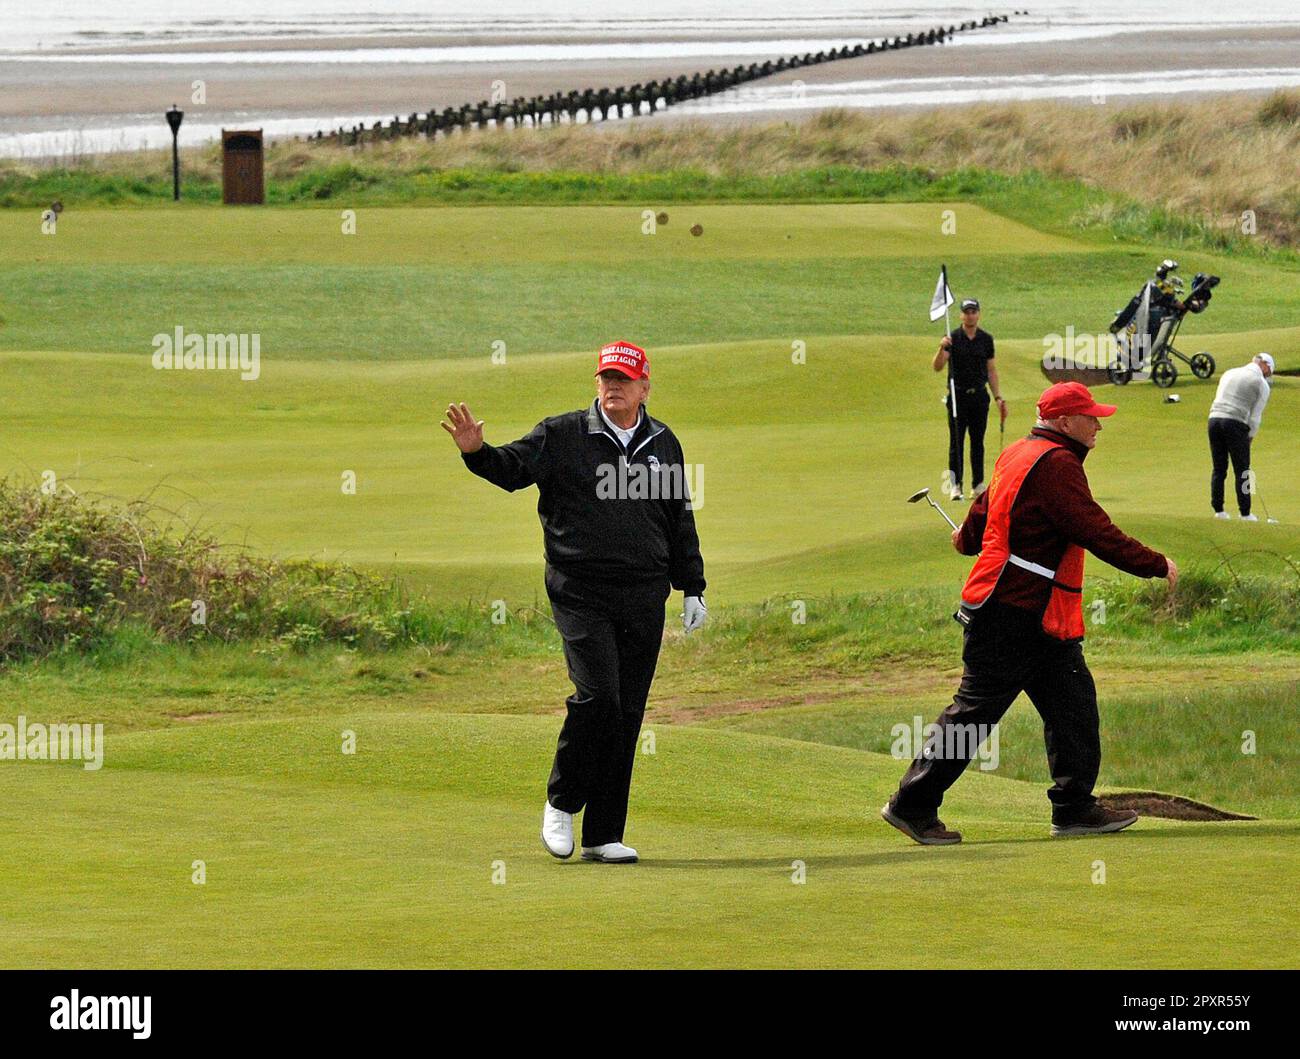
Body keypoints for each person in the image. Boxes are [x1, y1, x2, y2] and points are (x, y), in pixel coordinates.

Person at [441, 340, 706, 865]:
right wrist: (476, 452)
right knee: (598, 698)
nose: (612, 386)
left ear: (644, 387)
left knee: (627, 713)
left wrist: (692, 585)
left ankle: (603, 833)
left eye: (623, 380)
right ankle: (561, 802)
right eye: (605, 378)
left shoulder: (663, 441)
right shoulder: (562, 434)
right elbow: (511, 468)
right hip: (580, 589)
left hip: (643, 594)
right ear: (597, 384)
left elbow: (678, 516)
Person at [882, 382, 1178, 843]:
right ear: (1064, 423)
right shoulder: (1057, 464)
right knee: (974, 715)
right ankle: (911, 805)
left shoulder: (1018, 453)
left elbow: (978, 523)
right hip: (1014, 612)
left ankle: (1075, 808)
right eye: (1091, 417)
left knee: (1073, 707)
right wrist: (1155, 564)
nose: (1099, 424)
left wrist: (963, 539)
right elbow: (1094, 529)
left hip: (1032, 615)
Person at [933, 298, 1006, 501]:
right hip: (957, 396)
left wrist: (998, 396)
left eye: (973, 311)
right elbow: (937, 366)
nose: (970, 315)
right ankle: (955, 486)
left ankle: (978, 485)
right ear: (961, 315)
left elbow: (991, 370)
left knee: (978, 441)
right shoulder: (952, 338)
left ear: (978, 314)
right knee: (956, 442)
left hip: (979, 396)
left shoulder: (986, 339)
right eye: (967, 311)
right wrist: (942, 347)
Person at [1208, 353, 1274, 521]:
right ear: (1265, 365)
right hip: (1235, 424)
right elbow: (1255, 416)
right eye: (1269, 372)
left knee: (1219, 468)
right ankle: (1245, 513)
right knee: (1243, 470)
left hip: (1214, 420)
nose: (1268, 376)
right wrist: (1250, 436)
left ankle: (1219, 511)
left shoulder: (1229, 372)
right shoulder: (1261, 383)